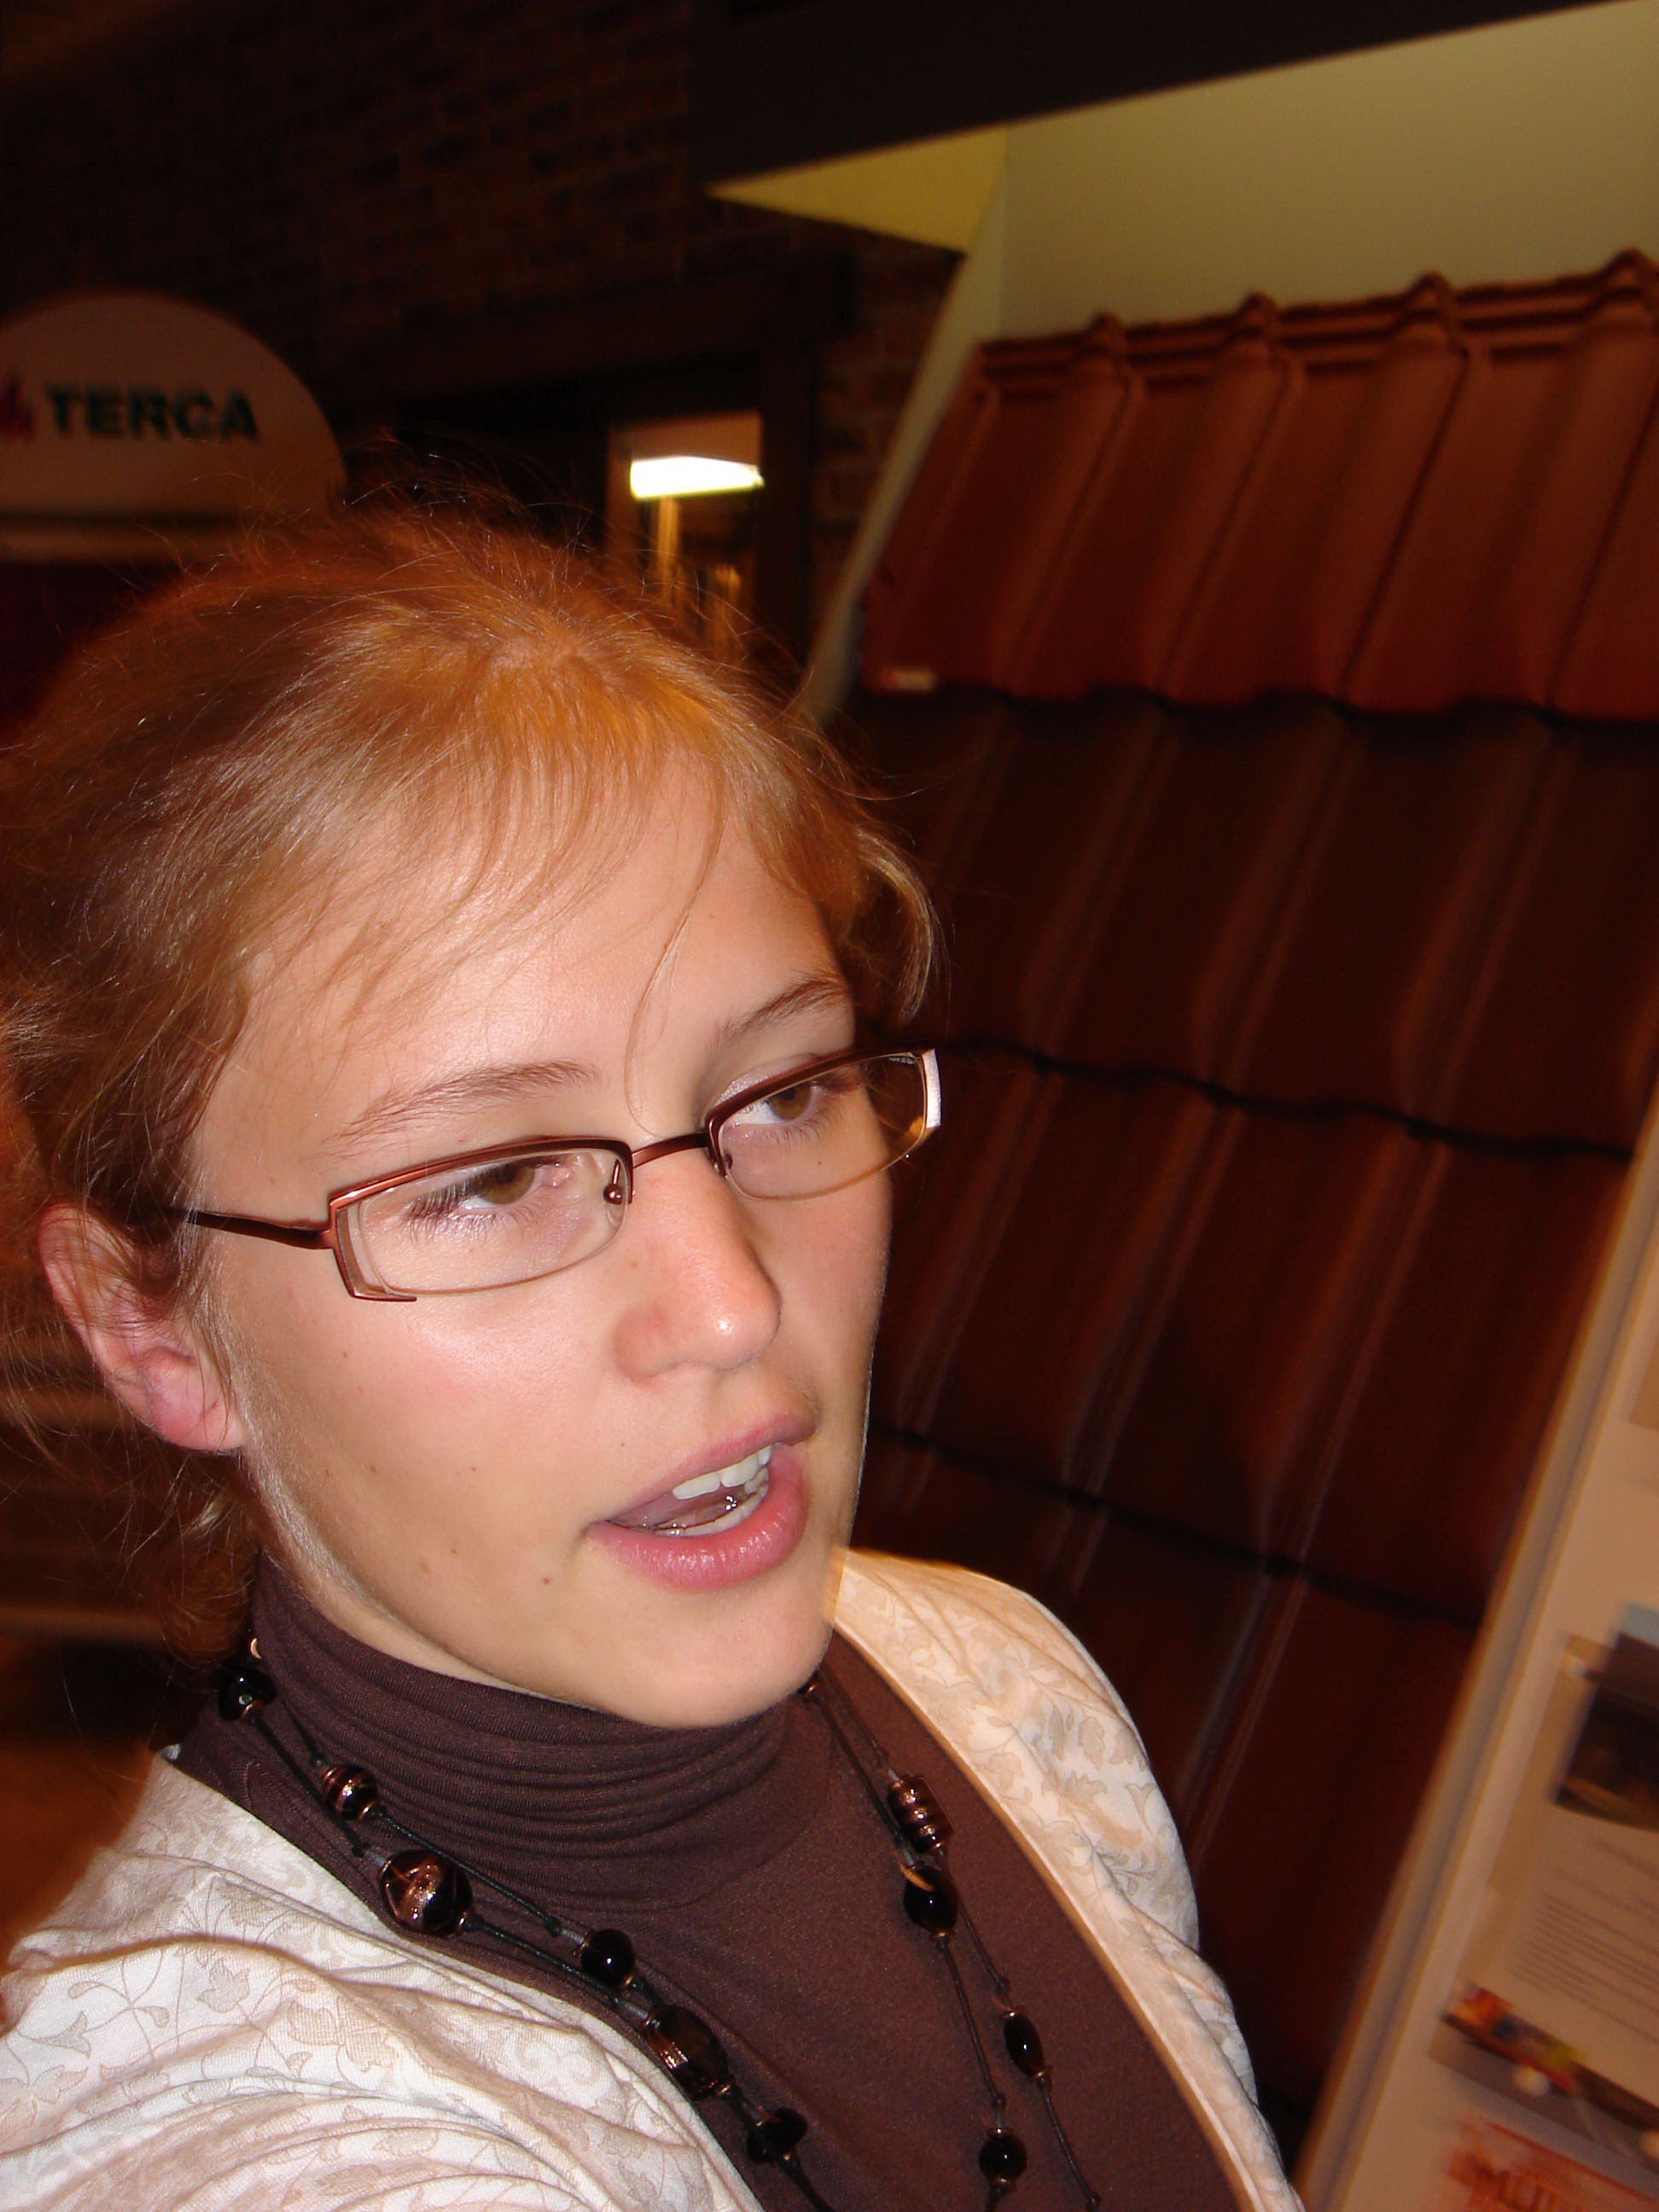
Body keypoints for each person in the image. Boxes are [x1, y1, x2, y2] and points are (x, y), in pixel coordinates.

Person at [0, 504, 1297, 2212]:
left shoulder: (1008, 1691)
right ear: (148, 1324)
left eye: (782, 1093)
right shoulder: (241, 2137)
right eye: (491, 1180)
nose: (732, 1306)